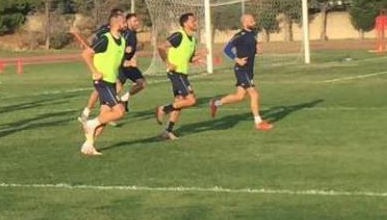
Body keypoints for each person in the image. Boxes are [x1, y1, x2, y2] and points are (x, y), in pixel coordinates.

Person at [209, 14, 274, 130]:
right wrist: (237, 59)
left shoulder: (253, 34)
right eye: (251, 20)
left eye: (254, 19)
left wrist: (256, 49)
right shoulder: (240, 35)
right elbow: (227, 49)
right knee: (254, 94)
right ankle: (258, 122)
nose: (254, 21)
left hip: (249, 70)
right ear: (244, 23)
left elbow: (251, 47)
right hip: (241, 69)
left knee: (239, 96)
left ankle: (216, 103)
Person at [79, 10, 127, 155]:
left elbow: (114, 62)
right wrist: (94, 71)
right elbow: (86, 54)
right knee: (119, 111)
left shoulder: (122, 40)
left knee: (105, 117)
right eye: (124, 21)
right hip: (102, 81)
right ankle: (90, 123)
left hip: (111, 81)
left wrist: (117, 79)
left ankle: (88, 145)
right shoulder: (105, 39)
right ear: (118, 23)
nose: (126, 24)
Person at [155, 12, 202, 140]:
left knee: (180, 102)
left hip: (183, 73)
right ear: (185, 23)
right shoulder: (178, 35)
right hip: (176, 73)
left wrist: (197, 58)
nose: (195, 23)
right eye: (193, 21)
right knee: (191, 100)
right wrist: (167, 63)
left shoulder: (192, 39)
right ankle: (163, 109)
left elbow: (189, 58)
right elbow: (160, 46)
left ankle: (167, 131)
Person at [78, 10, 119, 121]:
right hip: (103, 67)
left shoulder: (121, 33)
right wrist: (95, 70)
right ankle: (89, 114)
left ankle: (101, 116)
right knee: (101, 91)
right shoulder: (104, 33)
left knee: (102, 92)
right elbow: (91, 48)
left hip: (113, 67)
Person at [117, 13, 147, 112]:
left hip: (128, 64)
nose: (137, 23)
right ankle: (108, 111)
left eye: (137, 21)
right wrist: (125, 57)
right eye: (134, 21)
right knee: (118, 87)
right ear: (128, 21)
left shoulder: (132, 34)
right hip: (122, 64)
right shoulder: (127, 33)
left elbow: (131, 50)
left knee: (141, 83)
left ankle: (124, 99)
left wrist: (133, 57)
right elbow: (119, 48)